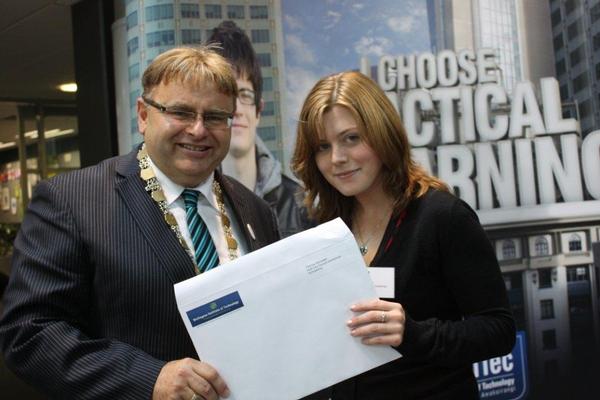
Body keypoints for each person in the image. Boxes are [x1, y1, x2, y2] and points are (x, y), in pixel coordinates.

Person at [0, 46, 279, 399]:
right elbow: (30, 333)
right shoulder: (71, 201)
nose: (198, 130)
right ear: (143, 115)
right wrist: (149, 379)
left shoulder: (255, 210)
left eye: (214, 117)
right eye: (180, 112)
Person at [292, 71, 516, 399]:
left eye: (351, 138)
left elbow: (499, 330)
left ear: (383, 135)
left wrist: (412, 333)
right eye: (323, 146)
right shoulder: (324, 226)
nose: (337, 158)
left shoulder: (443, 217)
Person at [207, 21, 312, 237]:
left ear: (259, 110)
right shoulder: (192, 201)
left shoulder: (301, 203)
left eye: (244, 95)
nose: (235, 109)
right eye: (225, 96)